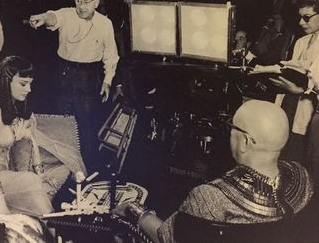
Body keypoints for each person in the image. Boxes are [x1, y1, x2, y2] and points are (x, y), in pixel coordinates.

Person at [113, 100, 313, 243]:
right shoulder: (303, 180)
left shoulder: (207, 198)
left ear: (245, 142)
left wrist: (135, 209)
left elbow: (165, 236)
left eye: (232, 127)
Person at [0, 56, 86, 217]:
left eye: (30, 84)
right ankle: (45, 224)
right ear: (6, 82)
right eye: (23, 84)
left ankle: (42, 222)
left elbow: (31, 141)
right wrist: (0, 202)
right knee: (31, 182)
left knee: (54, 176)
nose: (29, 89)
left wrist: (39, 173)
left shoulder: (14, 109)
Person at [29, 0, 119, 172]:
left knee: (87, 126)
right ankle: (63, 169)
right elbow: (53, 17)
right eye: (78, 1)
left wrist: (107, 81)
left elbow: (111, 55)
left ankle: (90, 171)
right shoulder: (67, 14)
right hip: (64, 74)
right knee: (61, 122)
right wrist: (42, 18)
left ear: (96, 2)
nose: (81, 7)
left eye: (86, 2)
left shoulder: (105, 24)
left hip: (89, 77)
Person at [0, 0, 58, 112]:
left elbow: (51, 30)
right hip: (16, 59)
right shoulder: (8, 3)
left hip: (39, 61)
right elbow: (14, 24)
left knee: (38, 100)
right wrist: (38, 21)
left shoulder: (45, 5)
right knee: (14, 101)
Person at [270, 0, 319, 165]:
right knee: (283, 153)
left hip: (310, 108)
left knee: (300, 158)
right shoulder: (301, 42)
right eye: (300, 18)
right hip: (289, 103)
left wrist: (300, 90)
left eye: (307, 18)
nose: (301, 23)